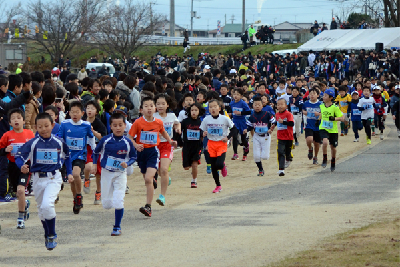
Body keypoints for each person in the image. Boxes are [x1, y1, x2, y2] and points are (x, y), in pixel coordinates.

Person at [15, 112, 74, 250]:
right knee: (41, 210)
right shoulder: (33, 143)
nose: (44, 129)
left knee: (48, 205)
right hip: (37, 179)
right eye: (40, 127)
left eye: (47, 126)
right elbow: (19, 156)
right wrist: (22, 166)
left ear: (52, 125)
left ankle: (52, 234)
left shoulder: (59, 142)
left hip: (54, 178)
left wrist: (70, 173)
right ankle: (47, 234)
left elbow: (67, 157)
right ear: (36, 127)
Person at [128, 97, 177, 217]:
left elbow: (163, 132)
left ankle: (148, 206)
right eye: (146, 106)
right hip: (141, 153)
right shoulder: (138, 122)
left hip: (153, 153)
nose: (149, 108)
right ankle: (152, 181)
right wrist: (135, 144)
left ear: (154, 108)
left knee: (148, 179)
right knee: (146, 178)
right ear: (141, 109)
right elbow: (130, 137)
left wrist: (170, 141)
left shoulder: (158, 122)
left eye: (151, 106)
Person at [91, 113, 136, 236]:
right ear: (110, 126)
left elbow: (133, 156)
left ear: (125, 126)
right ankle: (109, 202)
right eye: (115, 125)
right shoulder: (105, 140)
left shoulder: (127, 142)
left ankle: (117, 226)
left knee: (118, 201)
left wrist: (128, 163)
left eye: (120, 125)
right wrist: (95, 164)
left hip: (120, 174)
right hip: (106, 173)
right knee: (106, 204)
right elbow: (95, 152)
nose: (118, 128)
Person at [57, 101, 95, 214]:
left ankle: (79, 195)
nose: (74, 115)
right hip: (66, 156)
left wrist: (95, 151)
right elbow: (59, 137)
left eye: (77, 112)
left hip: (79, 155)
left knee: (76, 174)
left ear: (82, 113)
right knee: (71, 180)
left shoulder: (86, 125)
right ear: (69, 113)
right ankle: (76, 199)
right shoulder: (64, 124)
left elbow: (91, 138)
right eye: (72, 112)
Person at [0, 109, 35, 229]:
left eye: (19, 117)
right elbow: (0, 150)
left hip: (25, 167)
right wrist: (5, 150)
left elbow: (35, 151)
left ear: (24, 120)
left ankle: (20, 218)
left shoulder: (30, 134)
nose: (16, 120)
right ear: (9, 123)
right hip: (12, 167)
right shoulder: (7, 136)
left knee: (21, 191)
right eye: (13, 118)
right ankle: (24, 203)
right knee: (17, 192)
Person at [200, 99, 236, 193]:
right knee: (213, 166)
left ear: (219, 108)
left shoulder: (224, 118)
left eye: (215, 106)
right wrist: (203, 133)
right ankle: (218, 185)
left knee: (219, 164)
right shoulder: (206, 119)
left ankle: (223, 166)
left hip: (221, 144)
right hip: (211, 144)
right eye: (210, 107)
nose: (213, 109)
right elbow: (201, 130)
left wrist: (227, 137)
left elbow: (234, 129)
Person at [153, 94, 180, 206]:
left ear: (167, 105)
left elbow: (177, 123)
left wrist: (178, 128)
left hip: (167, 145)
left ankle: (162, 196)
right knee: (160, 171)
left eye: (163, 103)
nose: (160, 106)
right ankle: (166, 177)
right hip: (155, 146)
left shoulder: (172, 115)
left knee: (164, 169)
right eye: (158, 103)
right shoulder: (153, 116)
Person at [82, 100, 107, 205]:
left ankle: (98, 192)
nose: (89, 110)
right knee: (87, 167)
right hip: (83, 148)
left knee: (98, 173)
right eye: (88, 108)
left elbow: (103, 137)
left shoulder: (98, 123)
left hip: (96, 149)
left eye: (92, 108)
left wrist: (92, 131)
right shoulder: (82, 121)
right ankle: (86, 179)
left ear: (96, 111)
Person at [247, 96, 276, 176]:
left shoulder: (267, 114)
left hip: (266, 136)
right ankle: (260, 169)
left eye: (259, 104)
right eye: (255, 105)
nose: (257, 106)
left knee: (265, 157)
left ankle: (264, 158)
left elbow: (274, 122)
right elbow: (249, 126)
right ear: (253, 106)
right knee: (256, 156)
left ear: (262, 105)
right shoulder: (252, 116)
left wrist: (271, 129)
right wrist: (246, 130)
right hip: (256, 136)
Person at [318, 89, 344, 172]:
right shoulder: (321, 105)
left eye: (325, 96)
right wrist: (317, 120)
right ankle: (324, 158)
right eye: (323, 95)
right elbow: (322, 114)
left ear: (331, 98)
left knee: (333, 147)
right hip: (323, 127)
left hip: (333, 130)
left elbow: (342, 118)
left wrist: (334, 118)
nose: (323, 97)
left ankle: (333, 161)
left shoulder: (335, 108)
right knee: (325, 142)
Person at [181, 103, 204, 188]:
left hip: (197, 146)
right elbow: (179, 130)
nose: (194, 112)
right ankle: (192, 170)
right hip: (187, 145)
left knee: (195, 164)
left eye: (196, 110)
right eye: (192, 110)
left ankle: (194, 180)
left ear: (199, 111)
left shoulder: (201, 122)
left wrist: (203, 144)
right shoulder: (185, 121)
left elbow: (203, 135)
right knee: (186, 167)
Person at [230, 88, 251, 161]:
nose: (235, 96)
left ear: (241, 96)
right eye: (234, 94)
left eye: (238, 94)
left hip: (242, 122)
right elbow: (231, 111)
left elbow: (249, 112)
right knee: (234, 137)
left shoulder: (243, 103)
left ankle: (245, 151)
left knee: (243, 138)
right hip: (235, 121)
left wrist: (240, 113)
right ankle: (235, 153)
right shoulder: (232, 103)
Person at [302, 88, 322, 164]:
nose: (312, 95)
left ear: (317, 95)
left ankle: (315, 157)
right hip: (308, 125)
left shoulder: (321, 104)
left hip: (318, 126)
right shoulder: (306, 104)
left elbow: (325, 114)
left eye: (314, 93)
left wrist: (319, 114)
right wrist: (304, 112)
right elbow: (303, 110)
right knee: (309, 139)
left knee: (317, 143)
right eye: (310, 94)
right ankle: (310, 149)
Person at [275, 98, 294, 176]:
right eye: (278, 104)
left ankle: (289, 158)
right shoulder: (277, 114)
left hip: (289, 137)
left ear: (286, 105)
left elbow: (291, 124)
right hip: (280, 137)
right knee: (280, 152)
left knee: (287, 152)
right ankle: (281, 169)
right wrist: (271, 128)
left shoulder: (288, 114)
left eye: (282, 104)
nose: (280, 106)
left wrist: (283, 122)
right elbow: (275, 123)